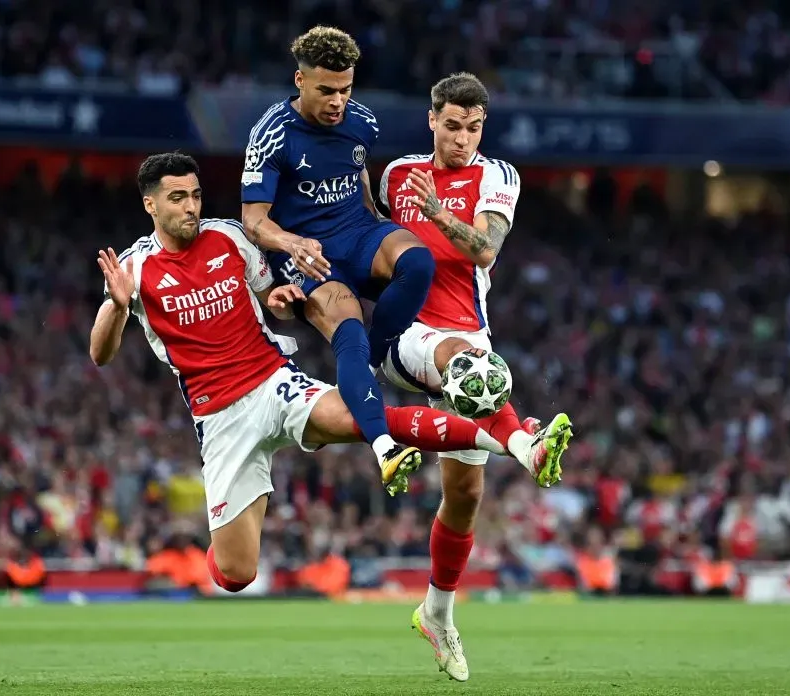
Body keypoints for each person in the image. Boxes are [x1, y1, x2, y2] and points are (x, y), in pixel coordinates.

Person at [89, 152, 511, 594]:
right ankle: (231, 524)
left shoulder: (229, 237)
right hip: (219, 417)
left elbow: (275, 299)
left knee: (364, 420)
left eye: (195, 195)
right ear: (150, 205)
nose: (191, 207)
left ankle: (504, 439)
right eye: (177, 198)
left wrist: (280, 300)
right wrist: (118, 307)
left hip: (274, 381)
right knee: (236, 574)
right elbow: (101, 353)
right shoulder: (134, 268)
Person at [377, 73, 574, 682]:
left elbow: (485, 250)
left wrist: (438, 213)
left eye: (474, 127)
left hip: (471, 342)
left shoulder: (497, 178)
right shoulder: (393, 176)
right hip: (405, 335)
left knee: (463, 497)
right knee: (467, 366)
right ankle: (524, 444)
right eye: (453, 125)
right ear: (431, 119)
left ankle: (437, 614)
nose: (463, 138)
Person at [240, 25, 435, 490]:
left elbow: (358, 170)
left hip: (358, 232)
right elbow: (253, 220)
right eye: (326, 90)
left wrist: (378, 221)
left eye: (345, 89)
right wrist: (291, 244)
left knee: (419, 261)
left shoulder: (362, 120)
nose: (336, 101)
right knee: (348, 332)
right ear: (300, 80)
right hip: (309, 257)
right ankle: (384, 447)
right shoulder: (271, 135)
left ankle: (380, 358)